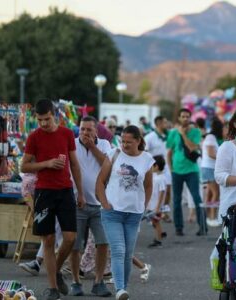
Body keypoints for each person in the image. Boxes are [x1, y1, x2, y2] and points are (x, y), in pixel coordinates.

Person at [20, 99, 85, 300]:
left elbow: (74, 164)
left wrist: (80, 192)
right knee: (47, 240)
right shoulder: (34, 137)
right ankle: (53, 288)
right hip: (44, 193)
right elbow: (24, 167)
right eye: (40, 120)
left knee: (71, 238)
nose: (44, 124)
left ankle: (55, 269)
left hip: (65, 191)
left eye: (47, 119)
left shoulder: (66, 134)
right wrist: (47, 163)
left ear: (54, 115)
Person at [95, 125, 154, 300]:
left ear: (138, 141)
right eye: (122, 141)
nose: (125, 145)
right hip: (112, 213)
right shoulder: (114, 154)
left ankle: (123, 287)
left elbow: (149, 185)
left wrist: (144, 205)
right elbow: (100, 181)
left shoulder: (147, 159)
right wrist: (104, 203)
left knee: (128, 254)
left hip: (134, 214)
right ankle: (120, 288)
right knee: (118, 250)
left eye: (129, 142)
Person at [69, 116, 112, 297]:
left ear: (96, 131)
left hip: (99, 204)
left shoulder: (104, 145)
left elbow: (107, 165)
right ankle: (75, 282)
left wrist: (92, 146)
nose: (85, 133)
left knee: (103, 243)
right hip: (77, 202)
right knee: (75, 245)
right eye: (83, 129)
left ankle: (98, 281)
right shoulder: (71, 144)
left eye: (89, 130)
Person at [167, 109, 206, 236]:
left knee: (197, 198)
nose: (185, 119)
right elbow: (169, 151)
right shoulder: (172, 133)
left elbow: (193, 147)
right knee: (177, 200)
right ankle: (179, 227)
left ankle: (203, 227)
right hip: (176, 171)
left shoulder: (195, 132)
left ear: (190, 118)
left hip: (192, 170)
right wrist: (170, 167)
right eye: (182, 116)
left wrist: (183, 134)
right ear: (179, 118)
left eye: (187, 117)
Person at [144, 116, 172, 222]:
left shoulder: (168, 135)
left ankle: (164, 212)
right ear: (158, 124)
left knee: (168, 190)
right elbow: (145, 151)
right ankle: (154, 212)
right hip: (155, 169)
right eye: (165, 122)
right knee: (156, 192)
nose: (167, 124)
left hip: (167, 167)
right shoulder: (150, 137)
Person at [201, 117, 223, 226]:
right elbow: (210, 153)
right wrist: (223, 158)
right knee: (216, 193)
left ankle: (207, 216)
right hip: (209, 168)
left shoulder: (212, 137)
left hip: (210, 167)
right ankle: (212, 217)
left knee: (210, 193)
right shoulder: (211, 137)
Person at [146, 155, 167, 248]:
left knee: (156, 222)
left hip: (156, 206)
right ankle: (160, 234)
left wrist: (158, 206)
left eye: (152, 166)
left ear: (156, 166)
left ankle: (158, 240)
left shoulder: (161, 178)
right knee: (155, 222)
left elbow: (162, 192)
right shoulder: (156, 176)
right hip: (153, 205)